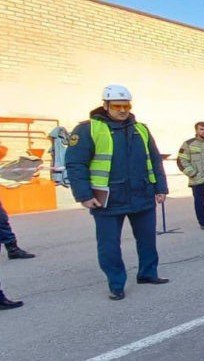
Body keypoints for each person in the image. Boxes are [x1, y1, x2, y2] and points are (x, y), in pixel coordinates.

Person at [65, 84, 170, 301]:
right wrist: (84, 195)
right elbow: (76, 164)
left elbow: (155, 159)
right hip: (109, 199)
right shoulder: (88, 130)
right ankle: (116, 284)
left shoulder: (141, 129)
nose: (122, 110)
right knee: (109, 245)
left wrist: (160, 188)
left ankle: (148, 273)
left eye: (126, 105)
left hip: (142, 194)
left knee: (147, 239)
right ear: (105, 105)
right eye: (117, 106)